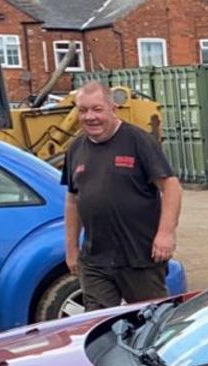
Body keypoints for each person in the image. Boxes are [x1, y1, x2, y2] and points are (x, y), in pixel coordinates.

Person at [63, 81, 183, 309]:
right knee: (98, 327)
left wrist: (165, 234)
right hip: (96, 260)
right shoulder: (76, 148)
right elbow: (72, 200)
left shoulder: (138, 141)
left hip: (140, 257)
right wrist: (71, 249)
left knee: (150, 323)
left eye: (97, 109)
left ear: (112, 109)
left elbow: (171, 187)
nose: (90, 117)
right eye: (83, 110)